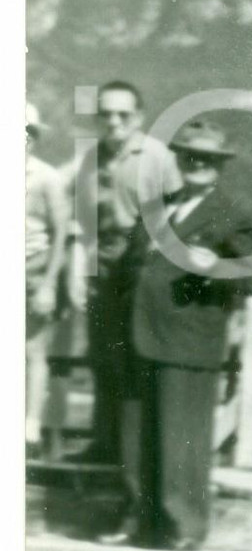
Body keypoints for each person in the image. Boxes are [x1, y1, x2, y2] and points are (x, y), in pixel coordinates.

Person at [105, 120, 252, 550]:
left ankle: (185, 526)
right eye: (190, 156)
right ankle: (137, 521)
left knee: (183, 437)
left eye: (208, 159)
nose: (197, 164)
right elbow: (130, 264)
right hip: (138, 333)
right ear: (179, 160)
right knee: (135, 434)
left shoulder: (233, 212)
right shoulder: (156, 207)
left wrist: (215, 268)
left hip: (188, 339)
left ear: (220, 166)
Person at [66, 81, 180, 464]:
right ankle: (104, 444)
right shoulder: (89, 160)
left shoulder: (158, 158)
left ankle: (136, 454)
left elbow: (177, 215)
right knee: (102, 357)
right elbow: (82, 222)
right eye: (105, 114)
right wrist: (78, 271)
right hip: (102, 269)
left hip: (141, 269)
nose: (113, 122)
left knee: (138, 358)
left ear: (139, 117)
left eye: (123, 114)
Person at [25, 103, 69, 453]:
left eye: (29, 133)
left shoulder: (47, 178)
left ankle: (31, 426)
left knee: (32, 350)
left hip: (34, 271)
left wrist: (49, 284)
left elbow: (60, 235)